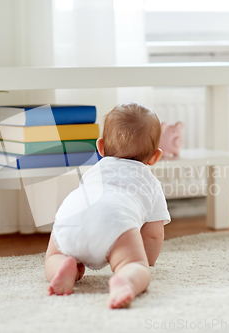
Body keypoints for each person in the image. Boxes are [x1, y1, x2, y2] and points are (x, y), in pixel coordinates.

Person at [44, 102, 171, 309]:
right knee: (135, 267)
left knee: (55, 255)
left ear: (100, 147)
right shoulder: (150, 182)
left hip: (70, 214)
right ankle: (126, 279)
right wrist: (142, 261)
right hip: (114, 221)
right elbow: (153, 234)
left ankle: (63, 267)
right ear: (155, 156)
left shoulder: (94, 171)